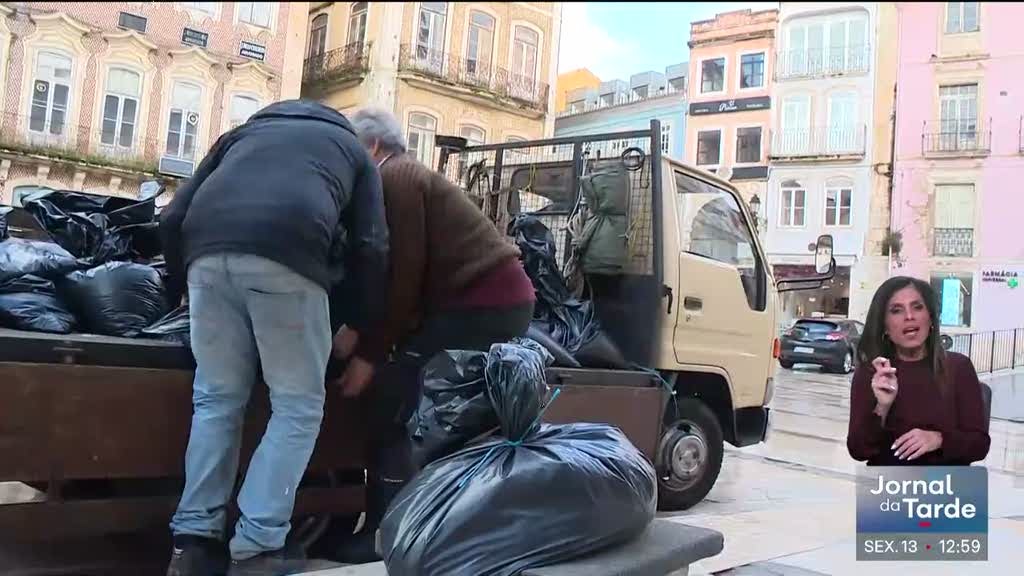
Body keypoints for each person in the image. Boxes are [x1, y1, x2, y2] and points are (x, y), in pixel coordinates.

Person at [160, 100, 389, 576]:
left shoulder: (239, 137)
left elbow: (172, 215)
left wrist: (179, 284)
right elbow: (372, 246)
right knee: (297, 407)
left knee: (216, 399)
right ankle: (257, 546)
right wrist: (358, 324)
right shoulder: (353, 150)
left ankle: (193, 545)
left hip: (206, 257)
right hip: (290, 258)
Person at [326, 107, 536, 563]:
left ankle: (385, 535)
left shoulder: (395, 178)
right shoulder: (399, 176)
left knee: (393, 400)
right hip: (487, 300)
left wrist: (370, 354)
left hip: (485, 302)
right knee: (418, 400)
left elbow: (403, 277)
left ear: (373, 147)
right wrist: (361, 330)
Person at [846, 276, 990, 466]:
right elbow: (858, 450)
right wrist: (882, 407)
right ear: (885, 326)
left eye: (917, 307)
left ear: (930, 318)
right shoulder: (872, 372)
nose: (909, 316)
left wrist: (939, 439)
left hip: (947, 482)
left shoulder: (958, 367)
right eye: (896, 310)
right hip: (889, 482)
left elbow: (980, 445)